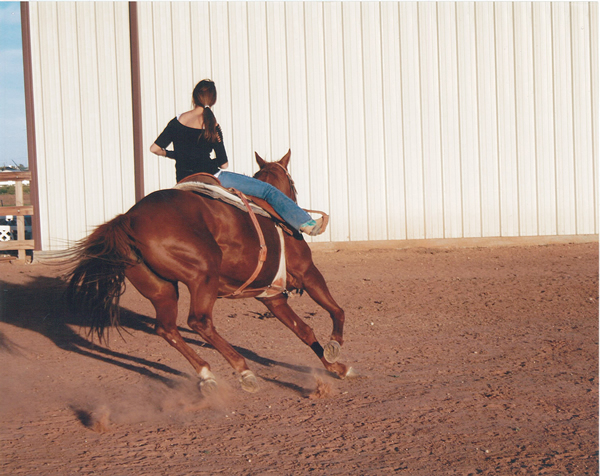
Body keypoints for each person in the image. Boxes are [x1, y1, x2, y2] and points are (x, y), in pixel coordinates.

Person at [150, 79, 324, 236]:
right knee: (267, 190)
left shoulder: (177, 121)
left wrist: (174, 154)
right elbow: (224, 164)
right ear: (213, 100)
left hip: (183, 180)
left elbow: (155, 149)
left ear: (194, 97)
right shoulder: (212, 124)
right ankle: (306, 223)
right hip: (212, 176)